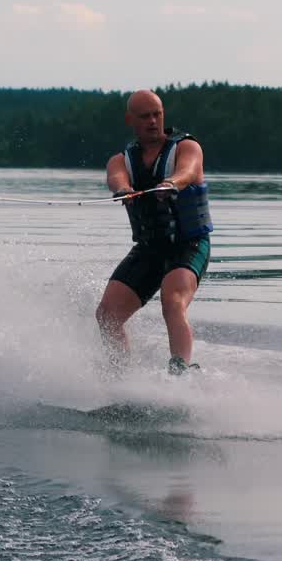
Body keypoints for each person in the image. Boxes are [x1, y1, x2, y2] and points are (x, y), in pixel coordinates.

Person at [95, 90, 213, 375]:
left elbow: (188, 171)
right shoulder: (121, 160)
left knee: (172, 301)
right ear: (130, 120)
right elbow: (116, 178)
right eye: (144, 116)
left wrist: (172, 183)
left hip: (188, 245)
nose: (152, 121)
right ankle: (119, 374)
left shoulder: (186, 147)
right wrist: (123, 190)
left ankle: (180, 371)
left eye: (156, 114)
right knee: (107, 314)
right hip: (149, 249)